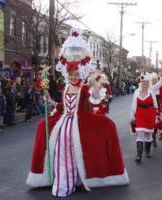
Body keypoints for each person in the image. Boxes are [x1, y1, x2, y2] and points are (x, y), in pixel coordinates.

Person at [26, 28, 129, 197]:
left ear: (78, 74)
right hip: (65, 120)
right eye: (71, 74)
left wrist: (95, 85)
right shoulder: (66, 87)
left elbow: (94, 98)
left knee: (106, 126)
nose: (73, 77)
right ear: (68, 74)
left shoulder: (84, 87)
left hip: (79, 120)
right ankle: (52, 177)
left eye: (75, 74)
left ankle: (81, 177)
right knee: (42, 127)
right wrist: (49, 101)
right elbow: (61, 107)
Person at [131, 73, 157, 163]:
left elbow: (155, 105)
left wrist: (156, 117)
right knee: (140, 135)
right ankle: (139, 155)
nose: (145, 83)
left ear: (149, 83)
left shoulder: (151, 92)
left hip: (150, 115)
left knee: (149, 136)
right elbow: (133, 105)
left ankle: (148, 151)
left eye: (147, 82)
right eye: (143, 82)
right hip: (140, 116)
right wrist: (132, 117)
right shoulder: (136, 92)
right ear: (141, 83)